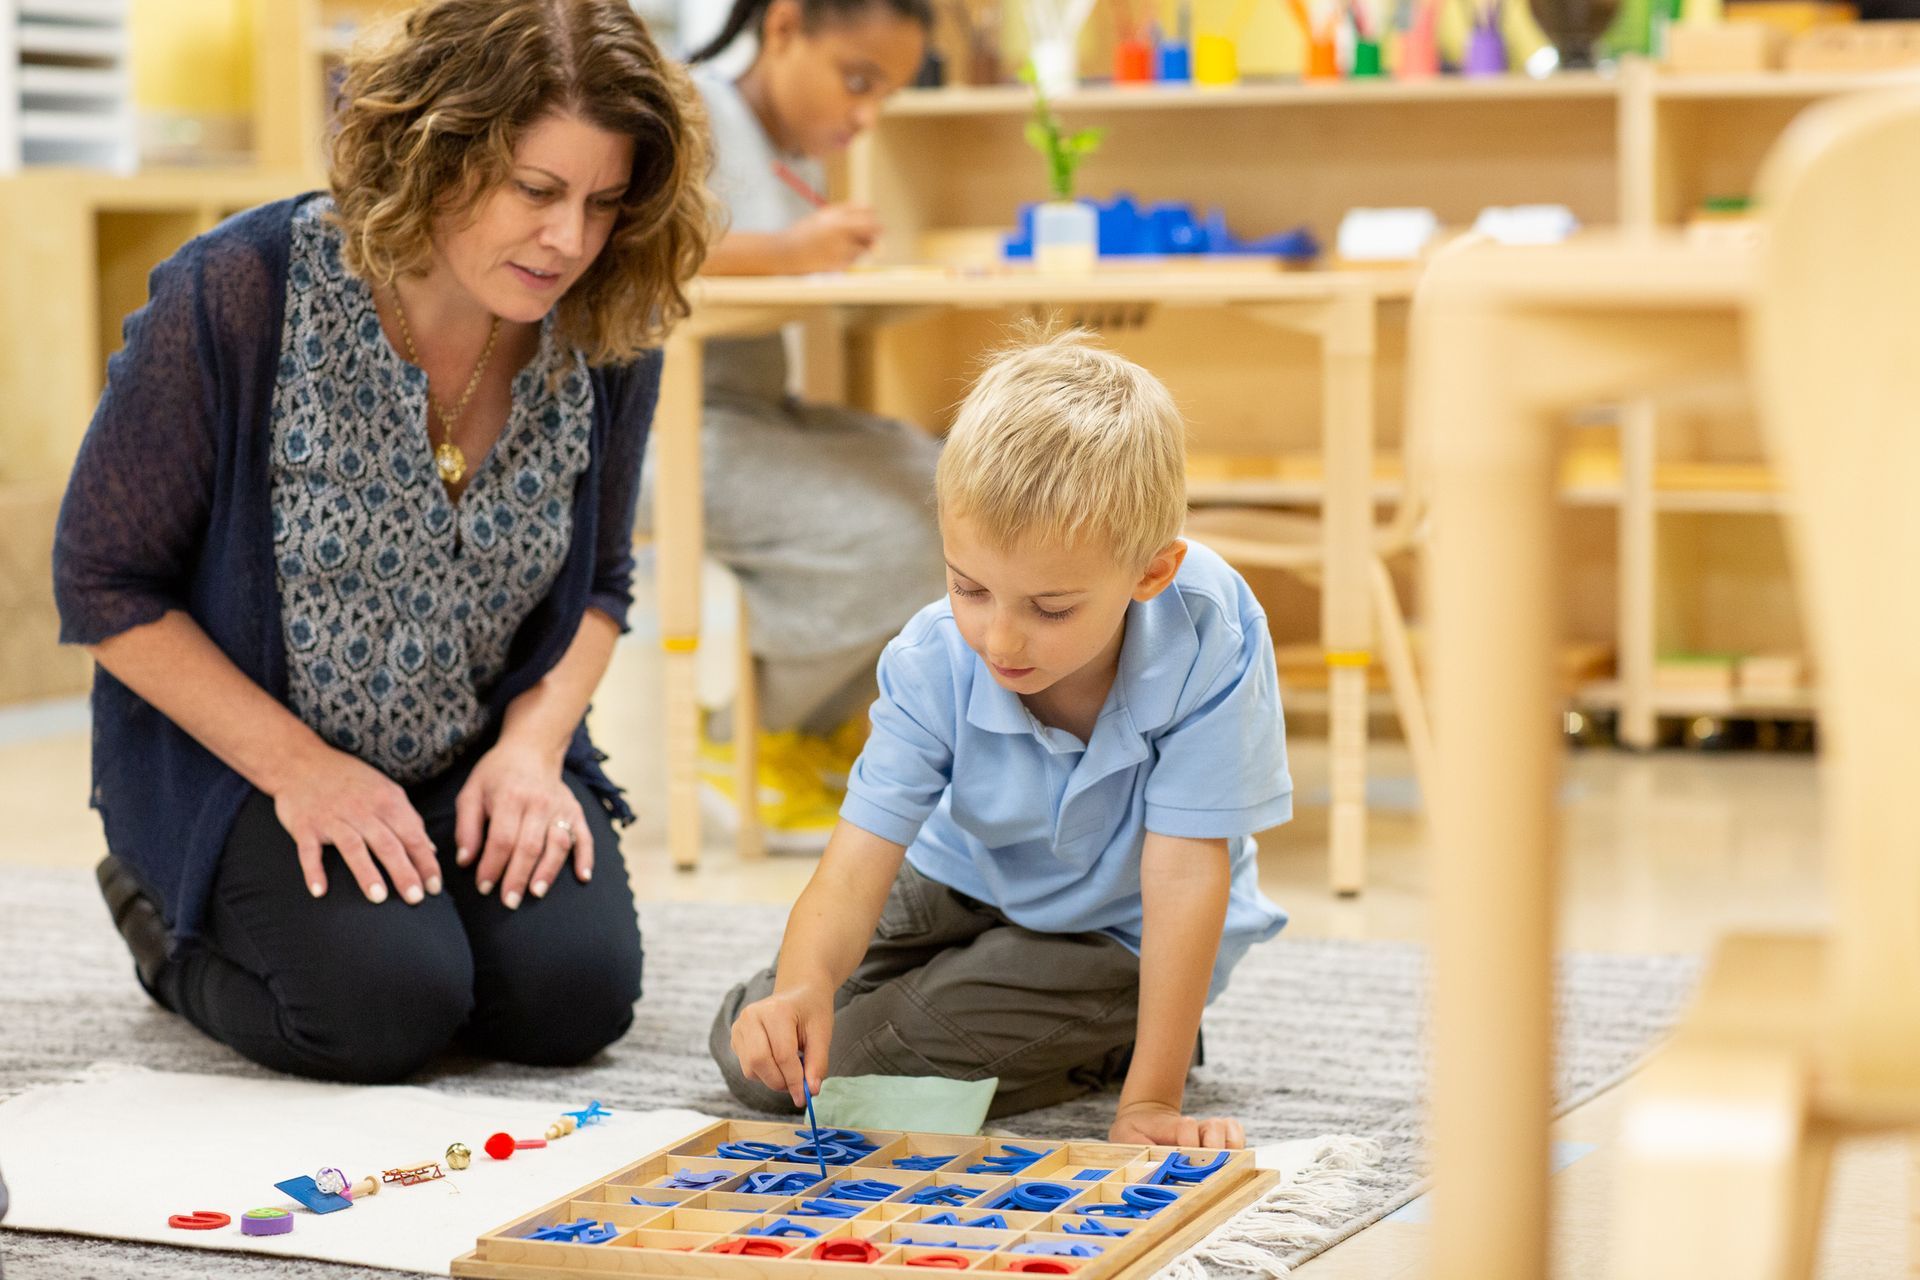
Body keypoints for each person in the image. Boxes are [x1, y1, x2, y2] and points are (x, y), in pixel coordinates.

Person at [52, 0, 712, 1084]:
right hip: (252, 754)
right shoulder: (238, 290)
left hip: (473, 747)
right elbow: (101, 580)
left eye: (603, 202)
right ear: (435, 154)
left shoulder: (607, 326)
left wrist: (533, 751)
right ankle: (159, 918)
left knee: (571, 999)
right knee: (378, 1008)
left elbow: (602, 582)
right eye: (537, 191)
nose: (570, 241)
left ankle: (424, 912)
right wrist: (304, 770)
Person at [710, 332, 1293, 1147]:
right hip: (966, 874)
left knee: (843, 1068)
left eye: (1050, 609)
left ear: (1151, 574)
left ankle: (1126, 1032)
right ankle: (1011, 1001)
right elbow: (855, 862)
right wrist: (804, 985)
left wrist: (1151, 1101)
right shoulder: (932, 654)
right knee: (755, 1055)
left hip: (1116, 936)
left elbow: (1187, 873)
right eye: (969, 588)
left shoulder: (1210, 630)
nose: (1001, 640)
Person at [668, 0, 945, 848]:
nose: (864, 116)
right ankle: (745, 738)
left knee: (968, 493)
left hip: (751, 411)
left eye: (884, 96)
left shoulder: (790, 150)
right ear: (783, 28)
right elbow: (629, 247)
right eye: (855, 82)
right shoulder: (688, 112)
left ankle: (819, 728)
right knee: (903, 531)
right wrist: (792, 255)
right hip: (665, 428)